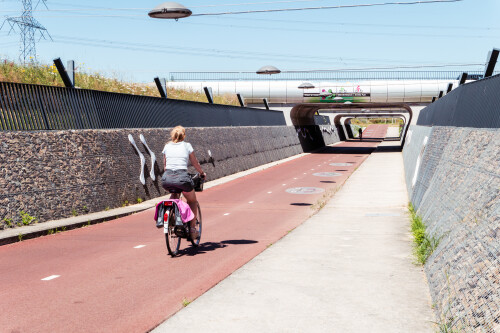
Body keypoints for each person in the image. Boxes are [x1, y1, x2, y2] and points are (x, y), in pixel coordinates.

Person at [161, 126, 206, 240]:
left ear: (172, 136)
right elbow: (195, 163)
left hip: (167, 179)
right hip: (182, 178)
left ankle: (170, 214)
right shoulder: (187, 146)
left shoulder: (167, 146)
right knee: (192, 201)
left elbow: (165, 166)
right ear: (184, 136)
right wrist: (201, 173)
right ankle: (192, 229)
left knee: (174, 193)